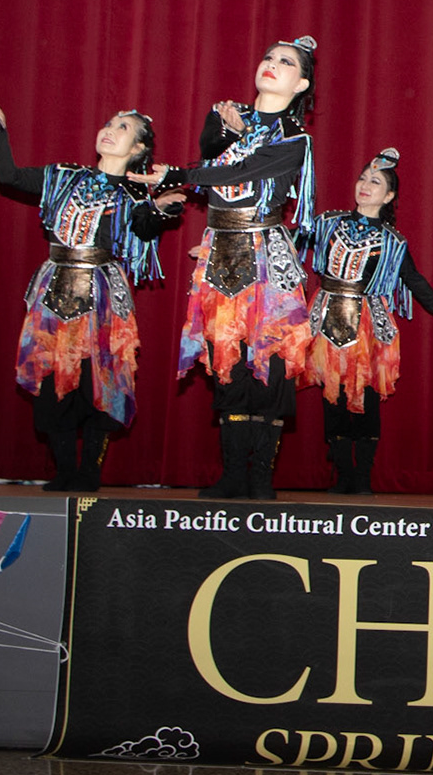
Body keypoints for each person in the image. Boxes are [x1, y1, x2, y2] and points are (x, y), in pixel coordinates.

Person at [0, 89, 183, 491]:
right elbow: (11, 177)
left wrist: (158, 210)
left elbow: (144, 230)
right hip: (54, 290)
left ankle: (89, 474)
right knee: (54, 379)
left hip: (102, 299)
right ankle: (65, 470)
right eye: (108, 123)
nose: (109, 130)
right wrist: (0, 134)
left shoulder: (135, 193)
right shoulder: (64, 176)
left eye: (123, 128)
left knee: (99, 379)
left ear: (137, 148)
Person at [137, 37, 320, 501]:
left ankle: (261, 479)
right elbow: (210, 157)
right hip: (221, 252)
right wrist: (227, 133)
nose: (272, 64)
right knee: (229, 362)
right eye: (269, 57)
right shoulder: (225, 115)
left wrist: (177, 175)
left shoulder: (295, 138)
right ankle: (233, 474)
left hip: (267, 257)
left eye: (286, 63)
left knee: (271, 365)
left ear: (301, 84)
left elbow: (241, 172)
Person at [307, 149, 433, 494]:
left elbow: (412, 278)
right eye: (363, 178)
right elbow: (291, 244)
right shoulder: (326, 223)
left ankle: (362, 477)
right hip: (326, 317)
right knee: (332, 396)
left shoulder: (392, 241)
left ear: (389, 196)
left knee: (365, 398)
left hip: (368, 324)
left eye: (375, 182)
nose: (365, 185)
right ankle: (342, 475)